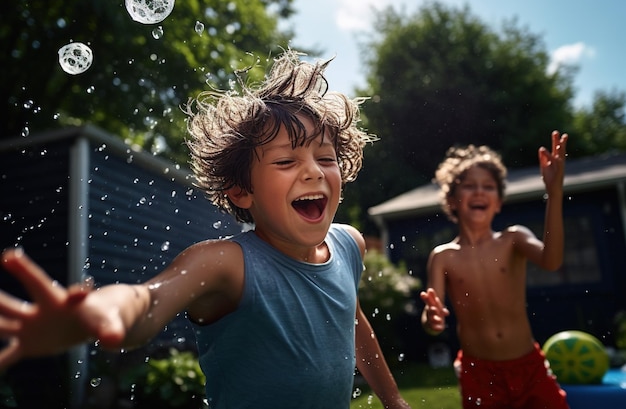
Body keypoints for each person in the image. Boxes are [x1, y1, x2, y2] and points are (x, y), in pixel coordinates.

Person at [0, 50, 411, 409]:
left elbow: (352, 323)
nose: (312, 173)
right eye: (286, 162)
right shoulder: (225, 264)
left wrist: (392, 399)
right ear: (241, 190)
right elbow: (147, 300)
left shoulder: (349, 244)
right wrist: (97, 314)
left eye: (325, 158)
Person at [420, 131, 570, 409]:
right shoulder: (443, 257)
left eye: (488, 186)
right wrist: (432, 318)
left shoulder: (513, 239)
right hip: (479, 374)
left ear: (499, 202)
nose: (479, 191)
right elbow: (432, 321)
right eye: (469, 186)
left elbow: (552, 260)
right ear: (452, 199)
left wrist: (555, 192)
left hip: (529, 367)